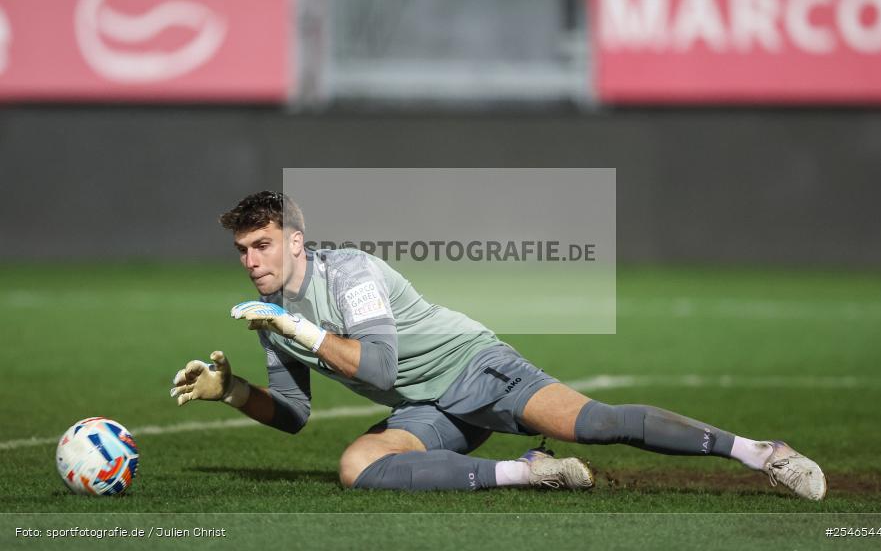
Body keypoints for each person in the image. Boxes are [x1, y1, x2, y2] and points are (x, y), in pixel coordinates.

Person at [170, 191, 826, 499]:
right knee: (358, 465)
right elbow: (293, 416)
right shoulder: (270, 314)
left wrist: (303, 331)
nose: (251, 259)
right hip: (428, 411)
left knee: (593, 424)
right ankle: (529, 473)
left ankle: (761, 453)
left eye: (261, 245)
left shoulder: (350, 275)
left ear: (294, 242)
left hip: (478, 369)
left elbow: (378, 364)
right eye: (241, 250)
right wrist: (229, 391)